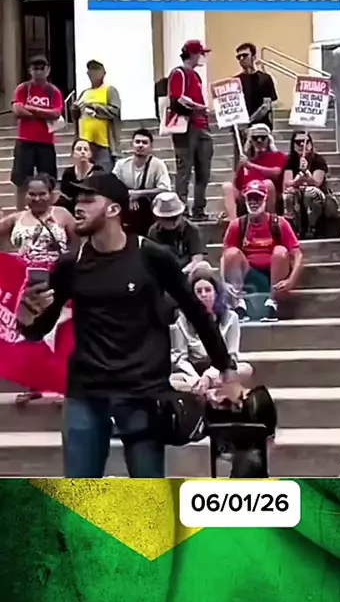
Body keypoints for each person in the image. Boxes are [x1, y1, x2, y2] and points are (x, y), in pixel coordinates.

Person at [15, 172, 245, 478]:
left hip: (143, 395)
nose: (78, 207)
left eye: (88, 199)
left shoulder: (152, 257)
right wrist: (26, 316)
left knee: (147, 496)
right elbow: (38, 329)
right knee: (80, 495)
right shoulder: (70, 264)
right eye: (77, 200)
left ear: (113, 209)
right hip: (86, 393)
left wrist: (227, 370)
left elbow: (197, 314)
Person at [0, 173, 77, 405]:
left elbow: (78, 245)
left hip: (58, 281)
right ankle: (34, 384)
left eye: (42, 194)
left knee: (62, 333)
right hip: (26, 285)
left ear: (52, 194)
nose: (37, 198)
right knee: (28, 336)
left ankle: (64, 384)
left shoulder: (62, 215)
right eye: (32, 194)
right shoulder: (15, 219)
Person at [221, 179, 303, 322]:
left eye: (257, 198)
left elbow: (297, 254)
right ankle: (238, 303)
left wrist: (291, 280)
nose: (254, 203)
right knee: (231, 252)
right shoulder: (238, 225)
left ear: (265, 200)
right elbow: (225, 256)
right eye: (250, 199)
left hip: (274, 275)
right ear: (245, 200)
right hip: (248, 274)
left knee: (280, 251)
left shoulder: (279, 223)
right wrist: (223, 282)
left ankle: (273, 304)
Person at [171, 269, 252, 392]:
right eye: (199, 291)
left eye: (208, 290)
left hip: (219, 370)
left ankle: (205, 390)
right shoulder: (181, 322)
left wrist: (209, 376)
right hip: (193, 372)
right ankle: (205, 390)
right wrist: (197, 379)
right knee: (171, 381)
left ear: (216, 293)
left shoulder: (231, 318)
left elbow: (232, 356)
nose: (203, 295)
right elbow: (181, 359)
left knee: (246, 369)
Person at [10, 55, 64, 211]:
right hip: (25, 140)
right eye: (35, 68)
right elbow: (17, 110)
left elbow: (56, 113)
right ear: (30, 70)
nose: (39, 72)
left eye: (42, 68)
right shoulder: (23, 88)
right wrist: (44, 113)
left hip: (46, 142)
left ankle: (48, 213)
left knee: (49, 180)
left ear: (48, 70)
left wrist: (31, 109)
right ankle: (20, 213)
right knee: (21, 180)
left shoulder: (53, 91)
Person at [169, 39, 213, 221]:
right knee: (184, 170)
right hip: (187, 126)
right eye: (201, 53)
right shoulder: (179, 73)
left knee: (204, 171)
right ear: (193, 54)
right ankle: (182, 209)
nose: (202, 57)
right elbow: (178, 98)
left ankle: (199, 208)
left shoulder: (195, 75)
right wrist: (199, 107)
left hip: (201, 126)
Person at [222, 123, 287, 222]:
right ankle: (233, 220)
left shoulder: (278, 155)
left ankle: (269, 218)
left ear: (268, 139)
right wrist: (241, 166)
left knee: (268, 184)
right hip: (246, 194)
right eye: (256, 138)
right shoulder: (246, 159)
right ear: (251, 141)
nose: (259, 141)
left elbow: (276, 173)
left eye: (262, 137)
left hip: (266, 193)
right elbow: (237, 184)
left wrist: (251, 166)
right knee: (227, 186)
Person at [113, 128, 171, 236]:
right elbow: (111, 185)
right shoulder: (121, 164)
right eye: (137, 142)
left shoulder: (158, 165)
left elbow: (165, 189)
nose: (140, 145)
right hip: (126, 207)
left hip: (149, 210)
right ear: (132, 144)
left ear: (151, 146)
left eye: (144, 143)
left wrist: (138, 194)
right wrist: (129, 195)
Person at [283, 131, 338, 238]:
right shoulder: (290, 160)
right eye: (298, 142)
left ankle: (312, 228)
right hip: (298, 192)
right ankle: (295, 229)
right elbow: (287, 182)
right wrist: (298, 179)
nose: (302, 145)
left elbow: (317, 182)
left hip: (317, 194)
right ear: (293, 145)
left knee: (310, 192)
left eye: (306, 142)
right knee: (289, 194)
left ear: (311, 144)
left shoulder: (318, 160)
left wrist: (306, 173)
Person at [233, 42, 278, 165]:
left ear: (253, 57)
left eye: (245, 55)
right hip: (241, 130)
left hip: (261, 130)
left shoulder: (265, 78)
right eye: (239, 57)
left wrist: (248, 122)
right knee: (241, 163)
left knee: (264, 162)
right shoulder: (235, 81)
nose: (242, 59)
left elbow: (266, 105)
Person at [72, 60, 121, 171]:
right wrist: (75, 109)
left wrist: (94, 106)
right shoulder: (84, 93)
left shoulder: (109, 90)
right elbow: (76, 116)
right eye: (90, 70)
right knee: (85, 172)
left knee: (103, 172)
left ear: (103, 73)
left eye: (96, 70)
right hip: (85, 143)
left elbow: (115, 111)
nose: (93, 73)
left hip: (103, 143)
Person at [147, 191, 205, 274]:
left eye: (175, 217)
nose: (173, 222)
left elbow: (197, 258)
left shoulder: (191, 229)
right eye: (167, 219)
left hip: (186, 272)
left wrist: (182, 272)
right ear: (158, 218)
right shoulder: (153, 231)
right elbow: (150, 259)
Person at [58, 138, 104, 215]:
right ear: (73, 154)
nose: (82, 152)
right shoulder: (68, 173)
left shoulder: (98, 171)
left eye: (86, 149)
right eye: (79, 149)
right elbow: (65, 195)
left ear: (90, 154)